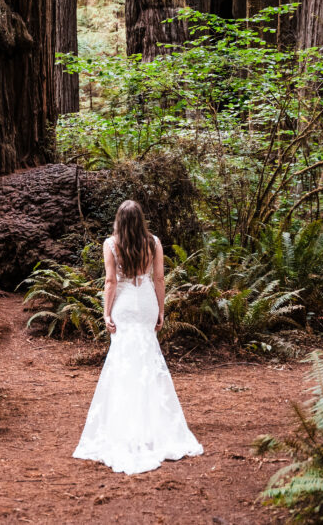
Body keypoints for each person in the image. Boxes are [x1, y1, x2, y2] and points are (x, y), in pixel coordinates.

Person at [73, 200, 203, 474]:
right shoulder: (154, 243)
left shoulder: (110, 245)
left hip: (124, 304)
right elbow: (159, 279)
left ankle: (123, 421)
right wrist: (161, 310)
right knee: (147, 356)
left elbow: (110, 282)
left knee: (123, 359)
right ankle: (153, 423)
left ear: (119, 220)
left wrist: (106, 313)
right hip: (145, 302)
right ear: (141, 219)